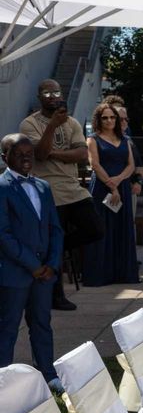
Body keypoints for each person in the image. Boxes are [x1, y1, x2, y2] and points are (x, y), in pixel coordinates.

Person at [20, 79, 102, 311]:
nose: (53, 96)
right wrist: (52, 126)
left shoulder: (72, 122)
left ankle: (58, 247)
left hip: (72, 187)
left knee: (95, 229)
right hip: (46, 190)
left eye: (57, 91)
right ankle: (57, 297)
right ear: (40, 97)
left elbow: (81, 154)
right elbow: (41, 154)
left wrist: (58, 152)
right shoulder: (29, 124)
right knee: (54, 238)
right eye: (48, 93)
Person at [0, 134, 64, 395]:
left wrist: (51, 263)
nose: (27, 158)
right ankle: (3, 378)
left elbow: (55, 229)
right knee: (7, 327)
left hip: (44, 274)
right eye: (19, 154)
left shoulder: (43, 187)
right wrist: (32, 264)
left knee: (41, 324)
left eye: (30, 153)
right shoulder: (2, 188)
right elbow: (3, 234)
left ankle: (48, 374)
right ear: (5, 157)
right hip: (15, 273)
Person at [81, 103, 139, 286]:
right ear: (99, 120)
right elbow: (95, 165)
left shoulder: (125, 139)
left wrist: (119, 180)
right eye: (105, 117)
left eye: (112, 117)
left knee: (122, 229)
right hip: (102, 189)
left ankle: (122, 274)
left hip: (121, 187)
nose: (109, 121)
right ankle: (100, 275)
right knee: (102, 230)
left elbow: (131, 165)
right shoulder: (92, 139)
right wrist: (112, 187)